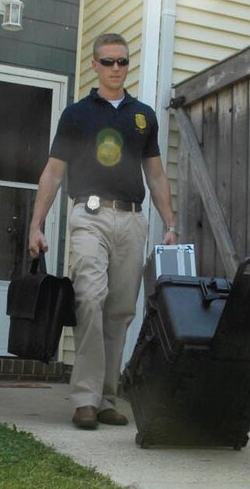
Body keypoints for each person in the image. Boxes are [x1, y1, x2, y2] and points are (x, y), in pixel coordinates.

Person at [29, 33, 177, 430]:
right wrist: (36, 224)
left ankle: (106, 398)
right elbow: (53, 172)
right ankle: (84, 399)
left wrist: (170, 223)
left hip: (132, 219)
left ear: (128, 64)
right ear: (94, 65)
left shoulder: (142, 115)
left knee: (120, 311)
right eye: (108, 61)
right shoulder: (76, 115)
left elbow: (156, 174)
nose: (116, 68)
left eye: (122, 61)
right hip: (89, 217)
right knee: (90, 299)